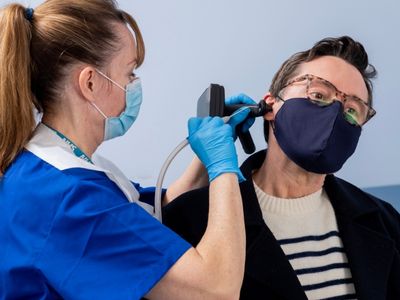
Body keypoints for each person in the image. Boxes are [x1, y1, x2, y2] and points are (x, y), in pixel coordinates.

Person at [0, 1, 253, 299]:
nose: (135, 85)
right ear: (90, 83)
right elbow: (217, 288)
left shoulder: (50, 167)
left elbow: (152, 212)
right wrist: (222, 166)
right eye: (129, 73)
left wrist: (206, 156)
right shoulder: (72, 199)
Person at [163, 36, 400, 299]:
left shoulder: (385, 221)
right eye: (318, 94)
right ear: (270, 106)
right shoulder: (192, 218)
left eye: (352, 110)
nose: (335, 114)